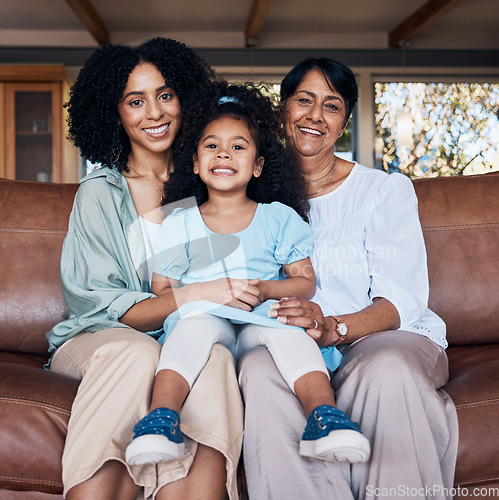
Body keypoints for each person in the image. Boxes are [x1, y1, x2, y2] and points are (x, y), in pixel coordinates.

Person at [238, 58, 459, 500]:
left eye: (331, 105)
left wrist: (334, 328)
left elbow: (401, 299)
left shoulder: (382, 191)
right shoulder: (254, 194)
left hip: (381, 335)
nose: (315, 116)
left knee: (385, 369)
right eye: (304, 100)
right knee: (259, 370)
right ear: (283, 110)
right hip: (291, 343)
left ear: (343, 123)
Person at [124, 83, 371, 469]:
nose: (224, 153)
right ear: (194, 162)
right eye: (212, 146)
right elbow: (160, 290)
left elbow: (305, 281)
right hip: (206, 316)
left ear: (257, 165)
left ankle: (325, 418)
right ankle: (161, 419)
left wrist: (264, 290)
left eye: (238, 146)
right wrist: (206, 294)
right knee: (192, 326)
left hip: (262, 317)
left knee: (292, 328)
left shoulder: (277, 218)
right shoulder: (179, 222)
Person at [46, 38, 248, 500]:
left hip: (187, 336)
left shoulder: (212, 182)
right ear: (113, 112)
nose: (154, 113)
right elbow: (103, 305)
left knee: (213, 359)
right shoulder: (100, 193)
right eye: (135, 101)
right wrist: (201, 293)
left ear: (185, 98)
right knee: (137, 354)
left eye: (165, 95)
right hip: (100, 338)